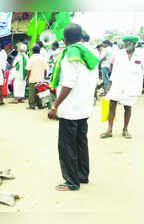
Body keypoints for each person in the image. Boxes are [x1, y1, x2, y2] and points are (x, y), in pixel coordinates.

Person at [48, 24, 99, 191]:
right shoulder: (91, 52)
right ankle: (82, 175)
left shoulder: (71, 54)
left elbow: (68, 83)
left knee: (67, 145)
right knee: (81, 143)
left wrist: (55, 106)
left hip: (70, 108)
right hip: (84, 106)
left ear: (65, 39)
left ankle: (71, 181)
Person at [100, 36, 144, 139]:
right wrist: (110, 84)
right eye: (124, 42)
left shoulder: (141, 55)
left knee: (128, 107)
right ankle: (109, 130)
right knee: (112, 104)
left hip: (132, 85)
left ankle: (125, 130)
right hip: (118, 83)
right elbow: (114, 70)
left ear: (133, 44)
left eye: (126, 42)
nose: (124, 44)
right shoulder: (119, 54)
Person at [26, 44, 48, 109]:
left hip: (33, 78)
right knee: (40, 92)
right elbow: (45, 69)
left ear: (32, 51)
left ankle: (32, 105)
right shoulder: (42, 58)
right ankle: (40, 105)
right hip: (40, 78)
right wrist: (44, 76)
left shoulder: (31, 58)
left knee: (32, 93)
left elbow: (29, 69)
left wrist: (27, 77)